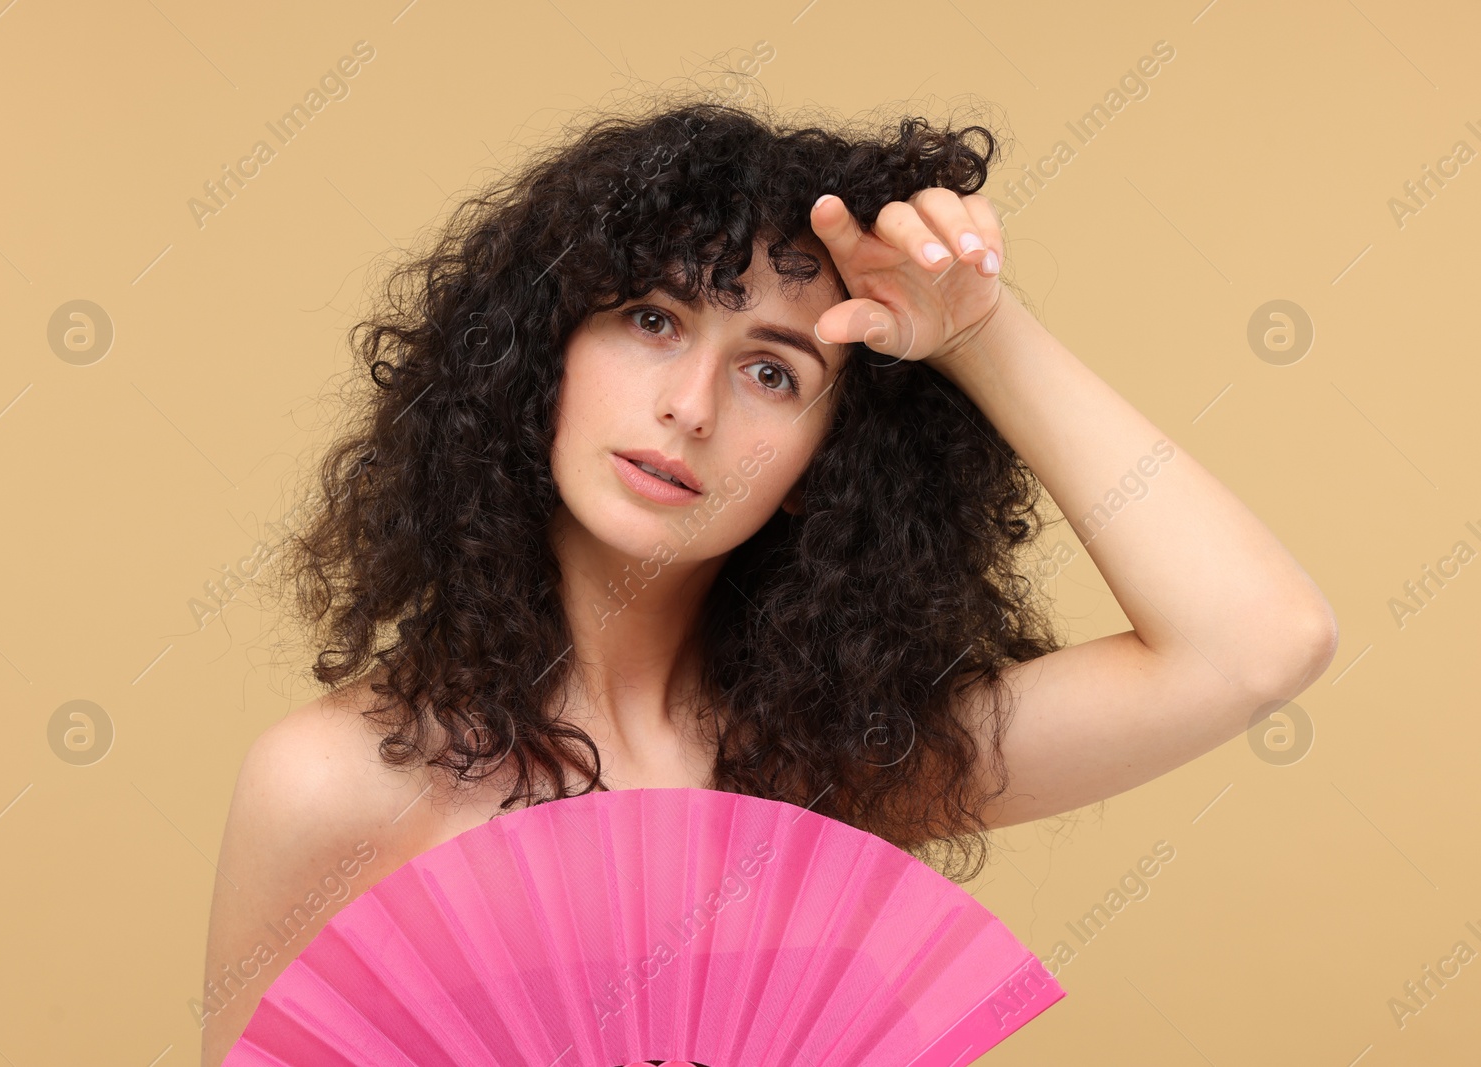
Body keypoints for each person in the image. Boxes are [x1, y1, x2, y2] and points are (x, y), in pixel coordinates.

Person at [198, 94, 1337, 1062]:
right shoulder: (332, 784)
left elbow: (1256, 641)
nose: (691, 406)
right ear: (540, 357)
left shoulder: (843, 761)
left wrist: (976, 327)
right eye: (651, 317)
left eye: (773, 374)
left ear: (815, 472)